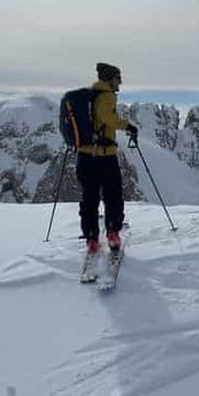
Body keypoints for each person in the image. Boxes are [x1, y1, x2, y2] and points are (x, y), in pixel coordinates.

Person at [77, 62, 138, 255]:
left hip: (85, 156)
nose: (120, 82)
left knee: (89, 198)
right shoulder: (107, 96)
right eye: (118, 78)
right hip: (104, 156)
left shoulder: (88, 96)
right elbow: (105, 117)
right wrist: (127, 125)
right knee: (113, 195)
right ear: (109, 79)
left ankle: (92, 238)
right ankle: (112, 232)